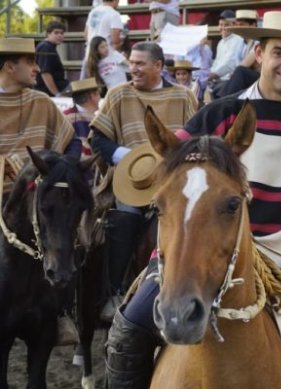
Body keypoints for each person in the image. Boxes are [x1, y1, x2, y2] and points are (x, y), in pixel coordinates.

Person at [103, 12, 281, 389]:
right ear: (258, 53)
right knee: (131, 327)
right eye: (279, 52)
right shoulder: (220, 113)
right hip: (202, 248)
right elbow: (173, 167)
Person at [89, 42, 197, 326]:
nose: (132, 68)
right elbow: (97, 138)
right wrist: (129, 157)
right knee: (124, 217)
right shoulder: (118, 95)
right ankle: (114, 292)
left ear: (159, 66)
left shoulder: (184, 96)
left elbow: (199, 138)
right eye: (131, 63)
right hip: (132, 180)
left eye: (139, 63)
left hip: (175, 179)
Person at [0, 38, 76, 174]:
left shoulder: (41, 101)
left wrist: (61, 171)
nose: (38, 68)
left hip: (38, 191)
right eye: (30, 63)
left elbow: (72, 141)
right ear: (10, 67)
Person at [218, 9, 261, 98]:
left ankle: (223, 101)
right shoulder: (245, 44)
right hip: (252, 80)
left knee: (240, 71)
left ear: (253, 25)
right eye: (237, 25)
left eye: (242, 25)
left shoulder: (258, 42)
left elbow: (244, 65)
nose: (239, 27)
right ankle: (221, 100)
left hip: (261, 80)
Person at [208, 10, 245, 96]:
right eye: (221, 25)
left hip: (229, 82)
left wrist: (213, 75)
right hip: (218, 81)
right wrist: (208, 75)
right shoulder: (221, 42)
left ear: (234, 25)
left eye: (226, 25)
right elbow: (216, 63)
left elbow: (230, 63)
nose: (223, 28)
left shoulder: (238, 39)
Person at [62, 78, 101, 158]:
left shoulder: (64, 116)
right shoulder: (99, 120)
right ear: (92, 96)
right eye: (98, 94)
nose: (100, 98)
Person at [83, 0, 123, 68]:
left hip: (90, 54)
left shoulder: (93, 11)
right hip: (106, 58)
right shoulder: (114, 14)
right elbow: (115, 40)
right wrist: (121, 42)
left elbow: (86, 34)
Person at [34, 21, 69, 97]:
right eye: (56, 33)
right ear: (48, 34)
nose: (60, 35)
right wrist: (57, 94)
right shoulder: (46, 48)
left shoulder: (50, 47)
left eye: (62, 33)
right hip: (47, 92)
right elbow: (45, 73)